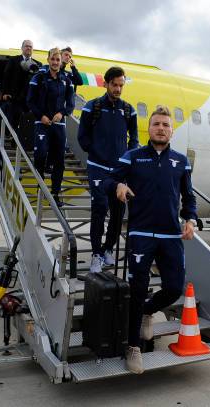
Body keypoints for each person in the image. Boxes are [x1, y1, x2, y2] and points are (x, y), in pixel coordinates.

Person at [103, 105, 197, 374]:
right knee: (136, 290)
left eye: (165, 125)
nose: (161, 128)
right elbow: (108, 180)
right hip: (141, 234)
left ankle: (148, 311)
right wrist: (118, 186)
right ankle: (132, 347)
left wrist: (190, 220)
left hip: (170, 235)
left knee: (174, 288)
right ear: (150, 128)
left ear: (171, 130)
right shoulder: (133, 157)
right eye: (156, 124)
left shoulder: (181, 161)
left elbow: (189, 198)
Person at [78, 66, 138, 273]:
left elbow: (135, 140)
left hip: (119, 171)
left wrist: (126, 161)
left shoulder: (129, 110)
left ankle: (107, 249)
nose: (118, 89)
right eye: (115, 85)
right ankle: (96, 254)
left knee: (118, 212)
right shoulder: (92, 107)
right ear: (106, 84)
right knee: (100, 208)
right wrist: (95, 151)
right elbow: (82, 136)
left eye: (121, 85)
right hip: (98, 168)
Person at [26, 48, 74, 207]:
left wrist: (62, 113)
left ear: (61, 62)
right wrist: (41, 116)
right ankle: (41, 188)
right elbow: (30, 101)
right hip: (42, 123)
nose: (55, 62)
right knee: (40, 155)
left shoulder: (66, 80)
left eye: (58, 60)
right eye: (53, 59)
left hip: (58, 125)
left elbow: (71, 103)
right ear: (48, 60)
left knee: (59, 159)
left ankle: (55, 192)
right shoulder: (38, 78)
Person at [0, 40, 42, 130]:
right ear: (22, 48)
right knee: (12, 124)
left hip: (29, 100)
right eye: (26, 46)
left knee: (26, 127)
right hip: (14, 98)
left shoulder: (38, 64)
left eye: (30, 46)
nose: (28, 48)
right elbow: (6, 77)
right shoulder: (13, 60)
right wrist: (5, 92)